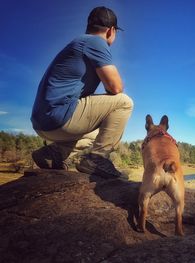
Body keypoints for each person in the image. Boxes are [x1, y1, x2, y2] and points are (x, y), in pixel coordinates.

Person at [31, 6, 133, 178]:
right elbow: (116, 87)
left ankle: (53, 154)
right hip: (59, 117)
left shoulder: (79, 42)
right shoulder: (95, 42)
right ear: (111, 31)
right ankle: (97, 160)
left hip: (43, 123)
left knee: (100, 134)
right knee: (124, 102)